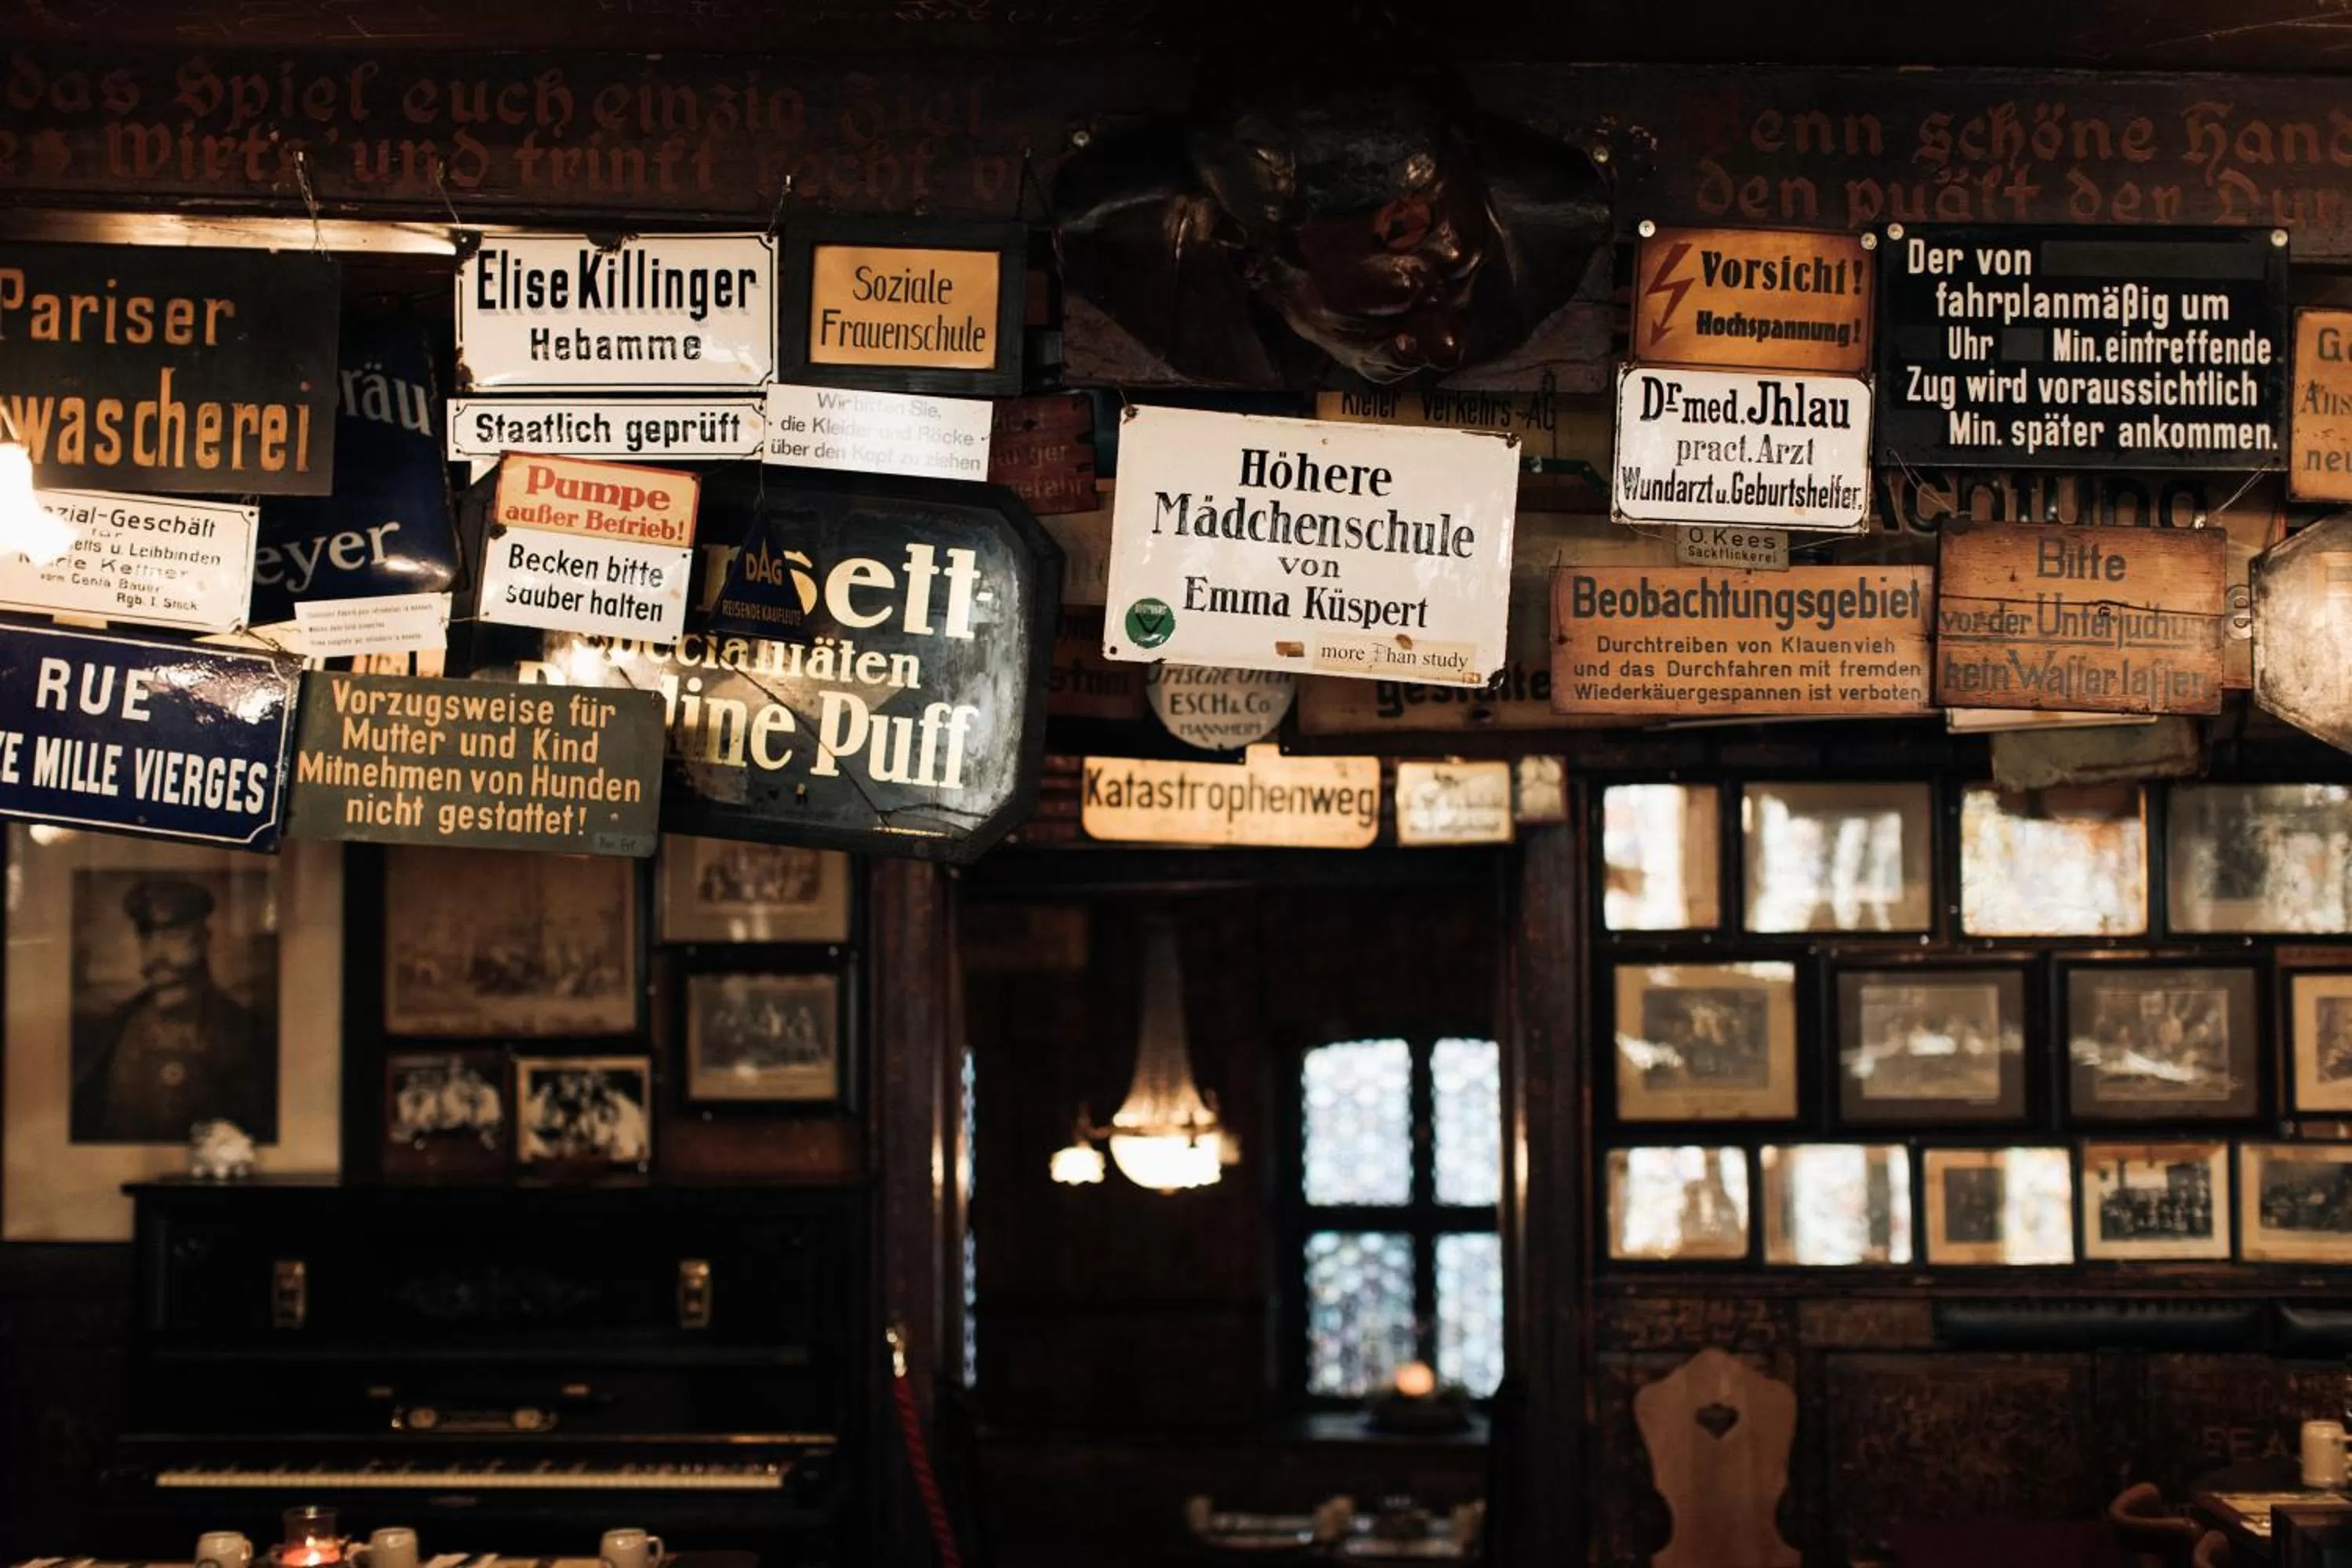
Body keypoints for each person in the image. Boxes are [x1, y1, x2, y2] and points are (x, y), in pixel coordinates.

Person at [70, 878, 275, 1144]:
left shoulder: (247, 1035)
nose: (156, 952)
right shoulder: (111, 1030)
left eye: (173, 932)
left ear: (203, 938)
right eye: (146, 933)